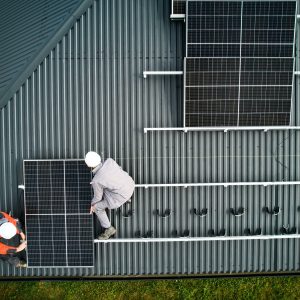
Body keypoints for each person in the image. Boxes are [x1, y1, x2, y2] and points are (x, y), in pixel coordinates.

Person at [85, 151, 135, 239]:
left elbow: (98, 197)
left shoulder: (96, 180)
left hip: (120, 196)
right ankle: (127, 198)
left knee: (98, 207)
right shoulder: (109, 161)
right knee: (107, 185)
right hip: (130, 184)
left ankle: (109, 228)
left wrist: (93, 205)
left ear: (89, 165)